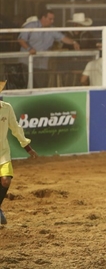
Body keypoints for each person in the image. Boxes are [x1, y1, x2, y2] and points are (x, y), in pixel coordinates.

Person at [0, 80, 38, 225]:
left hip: (2, 154)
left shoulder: (6, 108)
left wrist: (27, 147)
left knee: (6, 180)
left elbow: (16, 128)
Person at [17, 10, 81, 88]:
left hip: (42, 64)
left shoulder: (52, 29)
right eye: (50, 19)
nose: (52, 21)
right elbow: (21, 39)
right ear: (43, 17)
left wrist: (74, 42)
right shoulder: (31, 26)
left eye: (53, 19)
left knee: (41, 86)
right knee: (25, 86)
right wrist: (29, 49)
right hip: (26, 62)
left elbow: (62, 38)